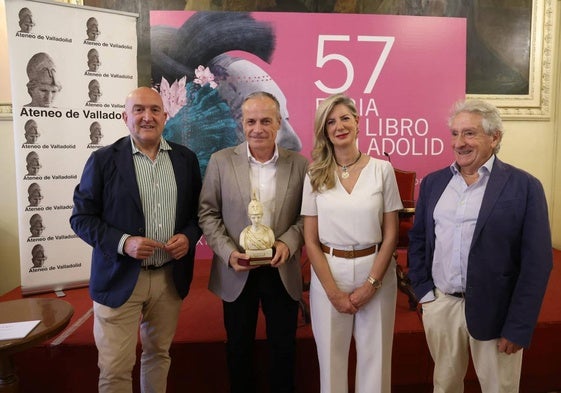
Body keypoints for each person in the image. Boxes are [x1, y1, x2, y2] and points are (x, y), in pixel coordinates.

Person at [408, 99, 553, 393]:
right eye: (455, 133)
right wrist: (424, 294)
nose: (459, 143)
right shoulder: (434, 184)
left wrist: (518, 326)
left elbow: (537, 263)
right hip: (442, 307)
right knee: (444, 386)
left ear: (495, 137)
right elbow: (419, 240)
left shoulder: (525, 187)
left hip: (497, 313)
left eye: (470, 133)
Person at [70, 87, 202, 393]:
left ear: (166, 117)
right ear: (125, 117)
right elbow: (81, 219)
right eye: (139, 110)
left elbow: (199, 215)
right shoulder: (103, 161)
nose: (147, 117)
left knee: (158, 355)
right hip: (119, 278)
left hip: (169, 278)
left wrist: (189, 236)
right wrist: (124, 242)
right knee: (115, 367)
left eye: (155, 110)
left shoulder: (185, 159)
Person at [198, 91, 308, 393]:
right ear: (241, 124)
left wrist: (288, 242)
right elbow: (208, 213)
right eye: (250, 121)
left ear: (279, 124)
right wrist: (228, 252)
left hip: (281, 270)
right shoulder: (221, 162)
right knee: (238, 347)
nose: (257, 128)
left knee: (283, 348)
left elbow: (306, 217)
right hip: (237, 271)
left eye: (265, 121)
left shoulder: (300, 165)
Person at [301, 93, 402, 393]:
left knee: (376, 360)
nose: (339, 126)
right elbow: (310, 239)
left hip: (377, 272)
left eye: (345, 118)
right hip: (329, 272)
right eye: (331, 122)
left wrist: (371, 283)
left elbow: (392, 234)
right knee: (331, 365)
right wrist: (332, 292)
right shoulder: (314, 174)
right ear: (324, 130)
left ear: (358, 122)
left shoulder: (382, 170)